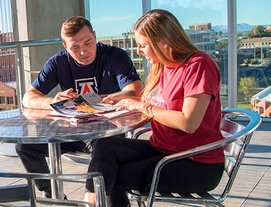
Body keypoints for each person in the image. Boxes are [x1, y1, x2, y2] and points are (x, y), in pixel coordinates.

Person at [83, 9, 225, 207]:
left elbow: (188, 122)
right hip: (165, 149)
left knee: (114, 177)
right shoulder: (164, 67)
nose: (139, 51)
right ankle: (91, 203)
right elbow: (161, 103)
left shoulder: (198, 65)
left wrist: (142, 106)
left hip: (197, 163)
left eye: (143, 45)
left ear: (162, 41)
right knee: (105, 145)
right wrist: (124, 100)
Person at [16, 15, 143, 198]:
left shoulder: (114, 56)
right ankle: (53, 195)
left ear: (95, 36)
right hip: (71, 133)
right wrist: (52, 102)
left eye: (87, 42)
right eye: (75, 47)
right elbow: (28, 98)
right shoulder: (58, 62)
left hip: (107, 131)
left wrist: (93, 100)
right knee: (24, 146)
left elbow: (135, 91)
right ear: (65, 47)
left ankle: (108, 201)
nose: (83, 51)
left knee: (106, 153)